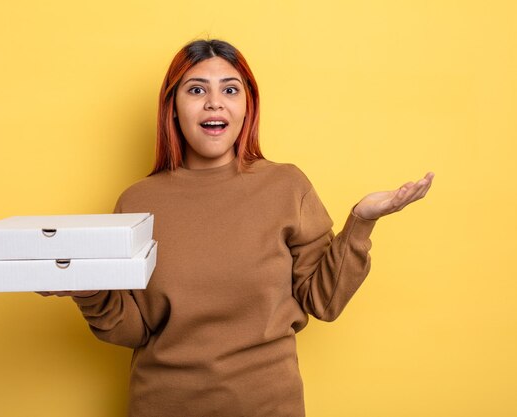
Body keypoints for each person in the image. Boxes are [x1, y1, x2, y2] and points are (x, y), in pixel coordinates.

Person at [39, 39, 434, 417]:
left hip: (268, 407)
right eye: (196, 90)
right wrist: (88, 291)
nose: (214, 102)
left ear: (248, 106)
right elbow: (133, 330)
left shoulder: (286, 186)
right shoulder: (136, 202)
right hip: (162, 406)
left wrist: (362, 221)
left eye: (230, 90)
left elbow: (323, 302)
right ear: (172, 107)